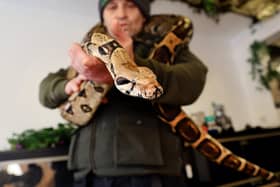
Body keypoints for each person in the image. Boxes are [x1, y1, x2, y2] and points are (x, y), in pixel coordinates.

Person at [39, 0, 208, 186]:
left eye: (131, 5)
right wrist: (68, 85)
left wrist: (135, 62)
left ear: (145, 16)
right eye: (112, 7)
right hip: (86, 173)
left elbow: (193, 80)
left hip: (149, 172)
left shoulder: (167, 44)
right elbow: (45, 90)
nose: (121, 14)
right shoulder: (86, 59)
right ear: (103, 17)